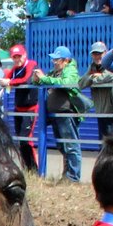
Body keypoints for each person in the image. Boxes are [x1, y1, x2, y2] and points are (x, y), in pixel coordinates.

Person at [34, 45, 86, 182]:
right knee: (62, 145)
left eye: (57, 59)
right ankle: (67, 174)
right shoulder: (54, 72)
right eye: (54, 59)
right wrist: (37, 78)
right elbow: (41, 81)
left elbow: (67, 83)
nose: (54, 62)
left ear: (66, 60)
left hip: (66, 114)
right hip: (56, 114)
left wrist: (44, 79)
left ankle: (73, 177)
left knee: (71, 146)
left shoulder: (71, 71)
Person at [3, 43, 42, 172]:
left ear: (24, 55)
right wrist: (5, 80)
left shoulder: (31, 64)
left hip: (30, 108)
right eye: (15, 57)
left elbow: (27, 80)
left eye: (19, 56)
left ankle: (34, 169)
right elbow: (5, 79)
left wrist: (10, 82)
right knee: (20, 139)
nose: (17, 59)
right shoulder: (14, 69)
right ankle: (27, 168)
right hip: (18, 108)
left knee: (26, 139)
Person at [79, 42, 113, 144]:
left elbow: (111, 76)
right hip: (101, 111)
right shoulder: (92, 67)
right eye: (95, 54)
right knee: (103, 144)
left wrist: (95, 79)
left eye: (100, 53)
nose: (97, 56)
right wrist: (93, 77)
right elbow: (81, 84)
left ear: (105, 53)